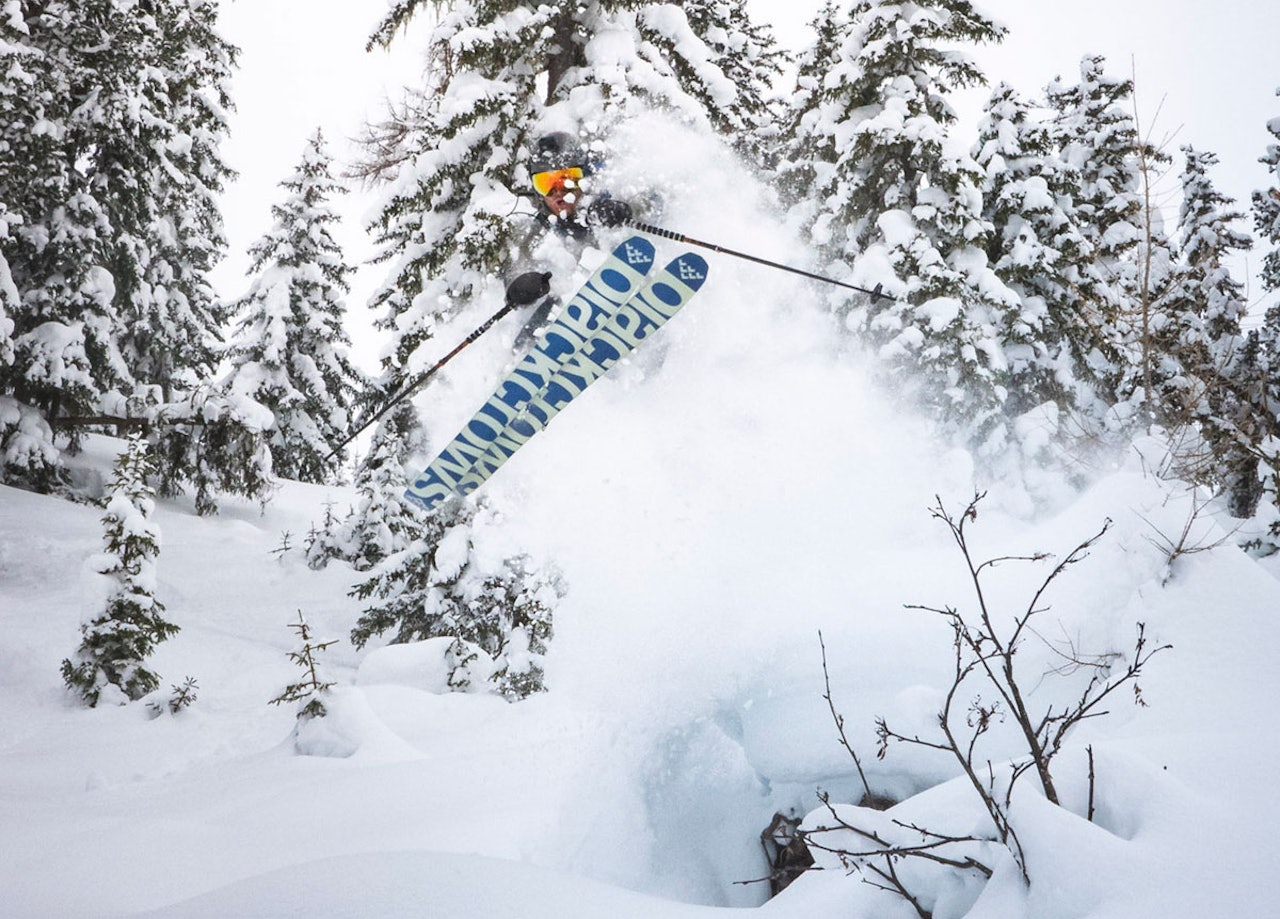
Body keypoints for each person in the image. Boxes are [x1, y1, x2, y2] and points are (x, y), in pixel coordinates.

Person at [506, 131, 636, 346]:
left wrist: (625, 211)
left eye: (566, 181)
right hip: (570, 315)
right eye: (545, 183)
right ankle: (530, 358)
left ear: (582, 180)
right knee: (552, 303)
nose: (557, 192)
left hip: (620, 292)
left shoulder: (603, 206)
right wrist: (520, 287)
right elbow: (516, 267)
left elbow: (650, 204)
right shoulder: (537, 234)